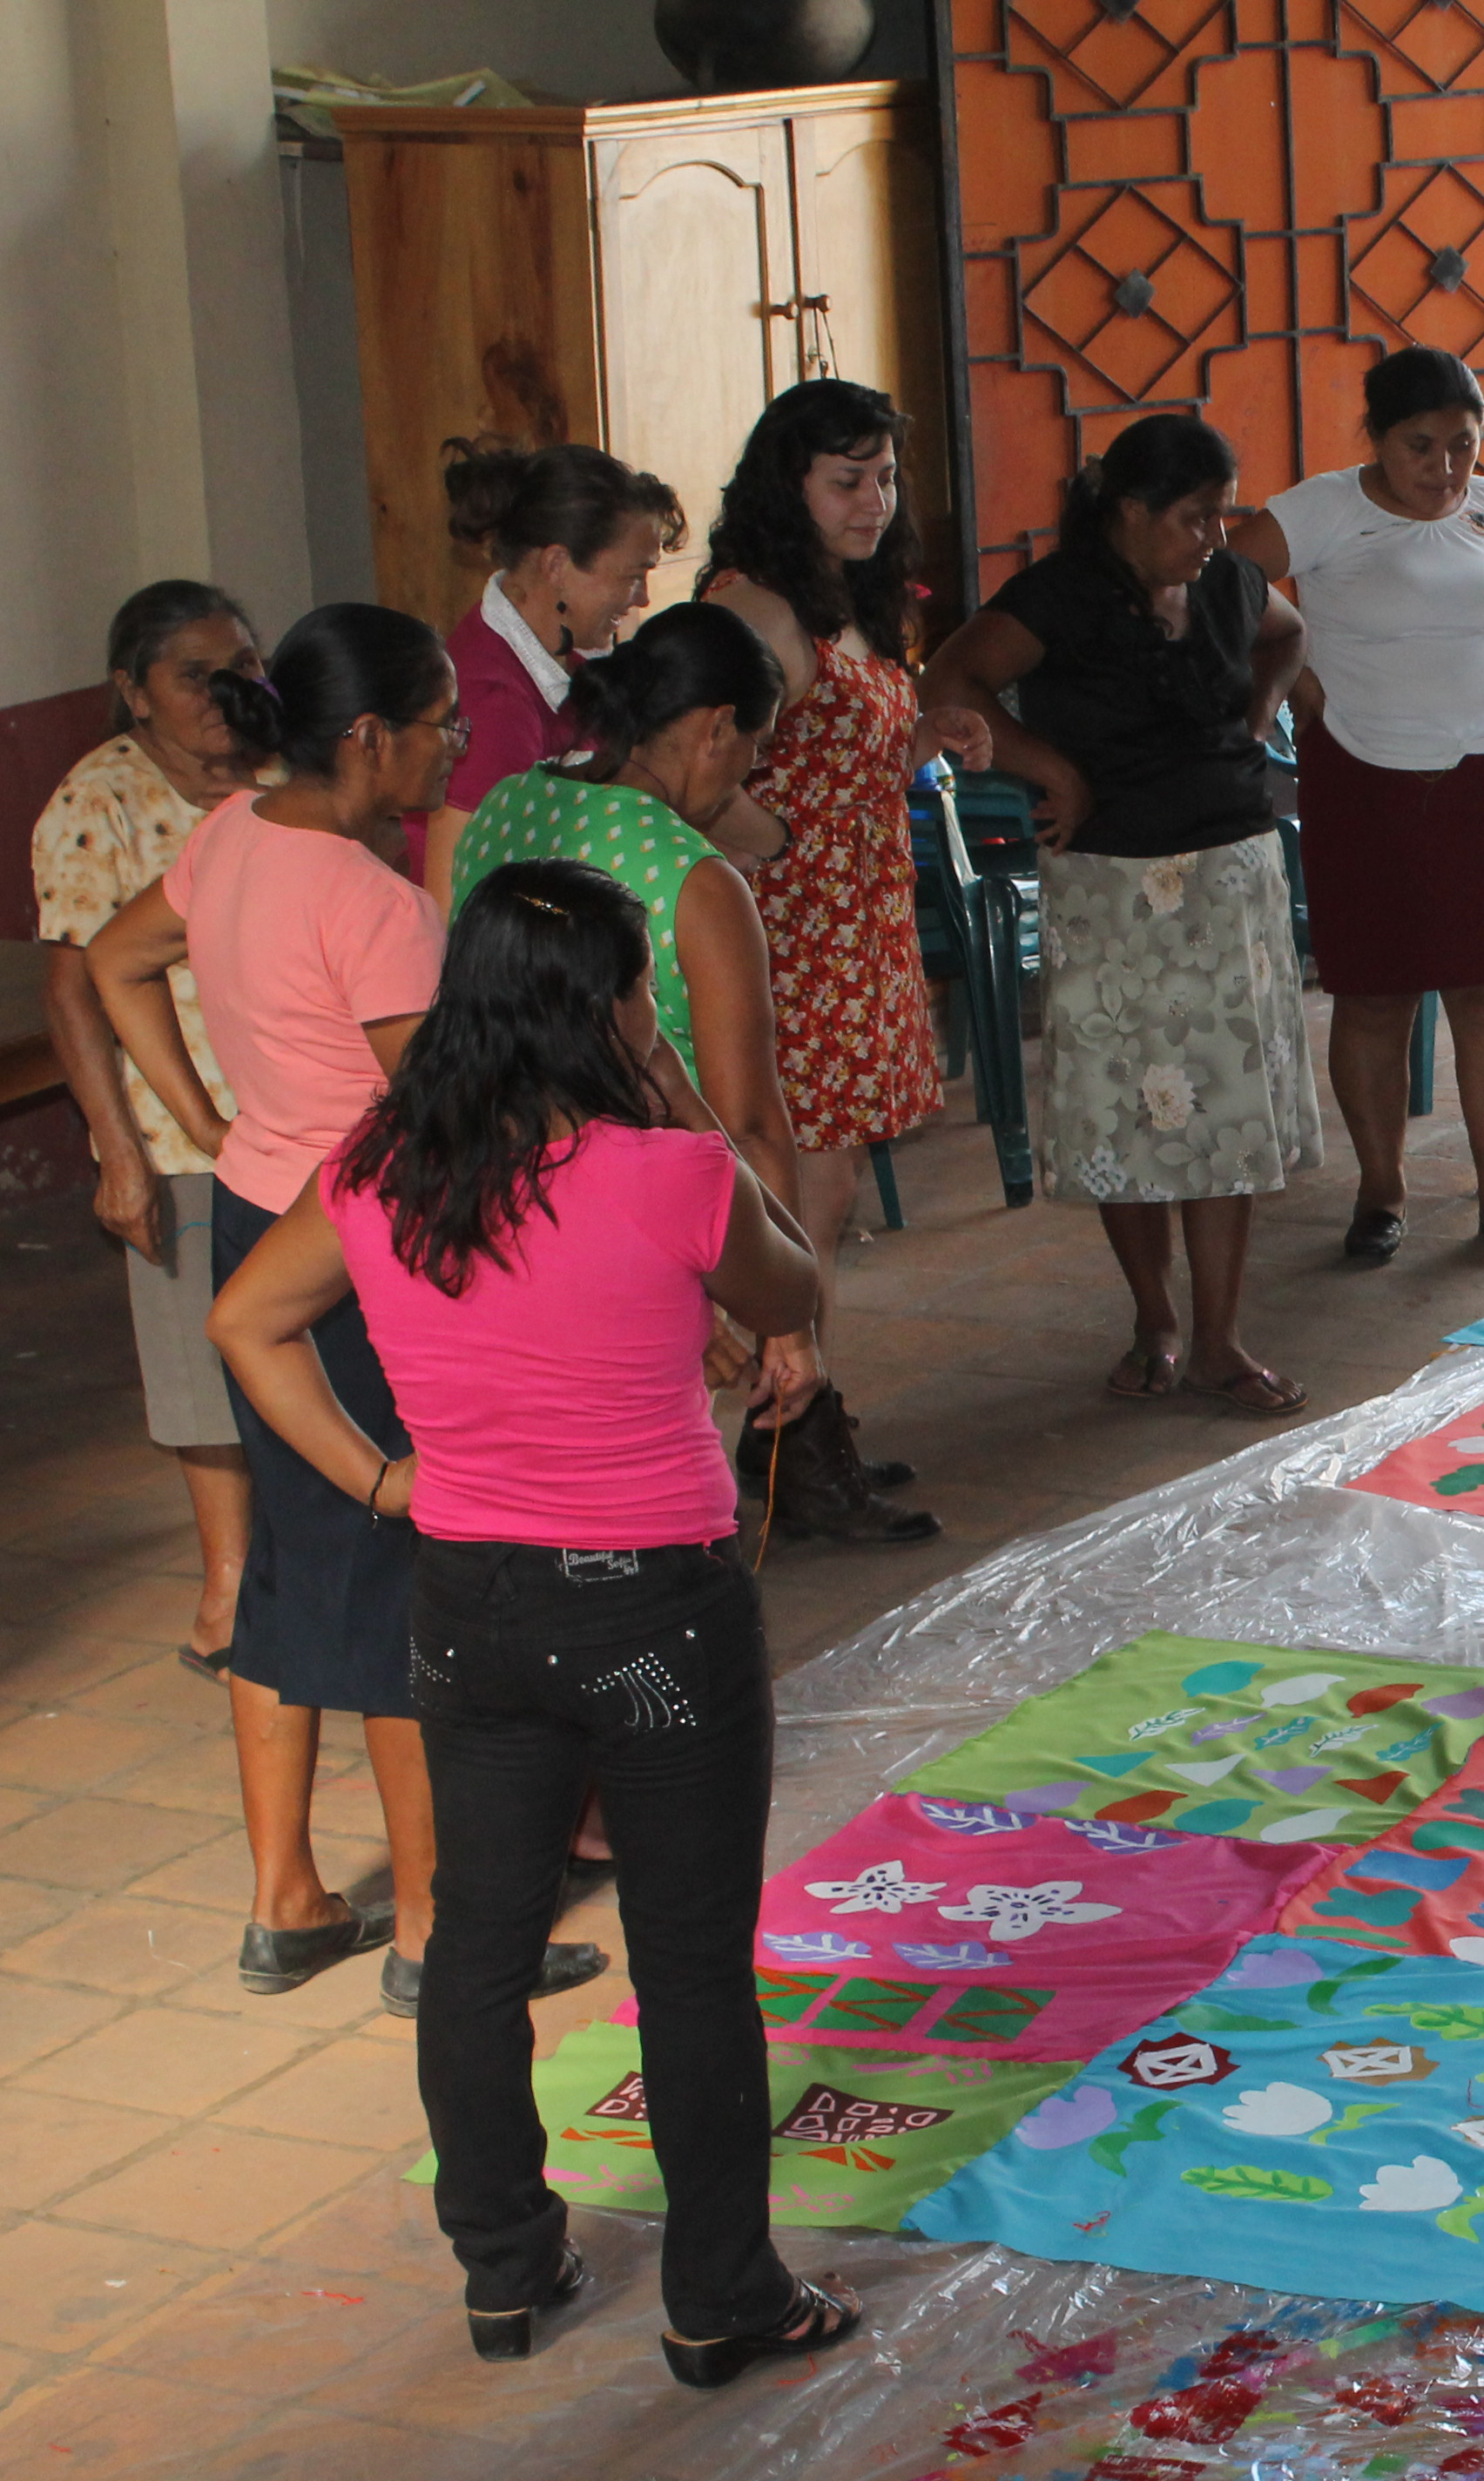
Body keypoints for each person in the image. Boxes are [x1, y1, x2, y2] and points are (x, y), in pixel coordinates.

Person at [208, 859, 858, 2388]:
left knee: (481, 1947)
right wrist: (678, 1089)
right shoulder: (666, 1169)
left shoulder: (384, 1165)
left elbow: (248, 1317)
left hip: (469, 1603)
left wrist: (384, 1481)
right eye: (641, 992)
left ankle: (505, 2263)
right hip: (655, 1607)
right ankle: (722, 2293)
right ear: (611, 1008)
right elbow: (793, 1277)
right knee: (690, 1967)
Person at [84, 605, 600, 2018]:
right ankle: (435, 1929)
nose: (459, 743)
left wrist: (201, 1113)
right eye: (442, 721)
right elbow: (445, 1115)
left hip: (255, 1209)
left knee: (291, 1559)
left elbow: (120, 962)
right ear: (368, 736)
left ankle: (286, 1897)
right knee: (400, 1573)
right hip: (363, 1245)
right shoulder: (374, 904)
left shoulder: (236, 832)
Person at [921, 412, 1319, 1408]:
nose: (1212, 538)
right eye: (1192, 518)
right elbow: (951, 678)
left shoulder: (1228, 585)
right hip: (1109, 888)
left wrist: (1262, 710)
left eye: (1221, 516)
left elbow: (1290, 632)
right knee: (1128, 1112)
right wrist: (1046, 763)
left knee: (1224, 1114)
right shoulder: (1061, 597)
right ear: (1129, 513)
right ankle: (1156, 1317)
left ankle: (1223, 1335)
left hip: (1229, 876)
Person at [1227, 346, 1484, 1270]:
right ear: (1378, 440)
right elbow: (1220, 584)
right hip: (1365, 772)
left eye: (1462, 447)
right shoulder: (1324, 509)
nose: (1443, 468)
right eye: (1419, 446)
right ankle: (1380, 1190)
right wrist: (1295, 679)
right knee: (1375, 993)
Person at [701, 378, 994, 1541]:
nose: (874, 500)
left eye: (883, 477)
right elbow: (696, 771)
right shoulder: (759, 609)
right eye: (846, 480)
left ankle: (808, 1435)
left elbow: (840, 750)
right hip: (794, 942)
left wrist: (927, 739)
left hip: (854, 928)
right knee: (800, 1211)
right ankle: (787, 1454)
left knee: (824, 1204)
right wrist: (789, 845)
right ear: (791, 486)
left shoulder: (840, 597)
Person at [447, 600, 826, 1435]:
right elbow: (751, 1120)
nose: (747, 778)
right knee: (659, 1486)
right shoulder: (695, 879)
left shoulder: (507, 805)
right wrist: (785, 1317)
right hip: (637, 1223)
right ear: (717, 728)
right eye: (755, 751)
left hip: (493, 1199)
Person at [33, 582, 266, 1680]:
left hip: (295, 1114)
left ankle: (291, 1570)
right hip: (184, 1136)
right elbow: (75, 990)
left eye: (242, 669)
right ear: (132, 692)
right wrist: (118, 1149)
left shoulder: (279, 773)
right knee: (198, 1364)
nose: (226, 696)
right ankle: (226, 1590)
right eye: (193, 676)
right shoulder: (100, 800)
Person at [422, 438, 709, 908]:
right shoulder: (492, 704)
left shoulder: (569, 657)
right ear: (556, 565)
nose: (642, 599)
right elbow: (458, 905)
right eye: (632, 576)